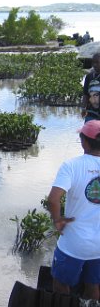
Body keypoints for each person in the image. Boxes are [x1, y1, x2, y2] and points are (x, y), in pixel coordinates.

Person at [48, 120, 100, 301]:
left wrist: (57, 220)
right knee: (94, 286)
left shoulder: (71, 166)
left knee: (60, 284)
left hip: (74, 244)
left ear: (84, 142)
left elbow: (53, 199)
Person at [82, 53, 100, 119]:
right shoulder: (89, 76)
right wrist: (83, 108)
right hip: (91, 113)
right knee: (87, 128)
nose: (94, 65)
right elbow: (85, 94)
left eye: (97, 62)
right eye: (93, 62)